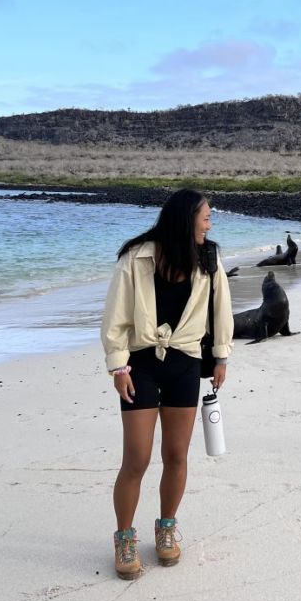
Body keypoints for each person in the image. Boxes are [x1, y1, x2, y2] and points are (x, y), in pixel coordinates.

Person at [100, 189, 234, 578]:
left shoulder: (209, 258)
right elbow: (115, 319)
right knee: (137, 458)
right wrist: (118, 368)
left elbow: (221, 308)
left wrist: (222, 356)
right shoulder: (135, 257)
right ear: (185, 218)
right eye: (206, 216)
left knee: (176, 455)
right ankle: (124, 538)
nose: (210, 223)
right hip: (140, 364)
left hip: (186, 362)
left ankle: (166, 529)